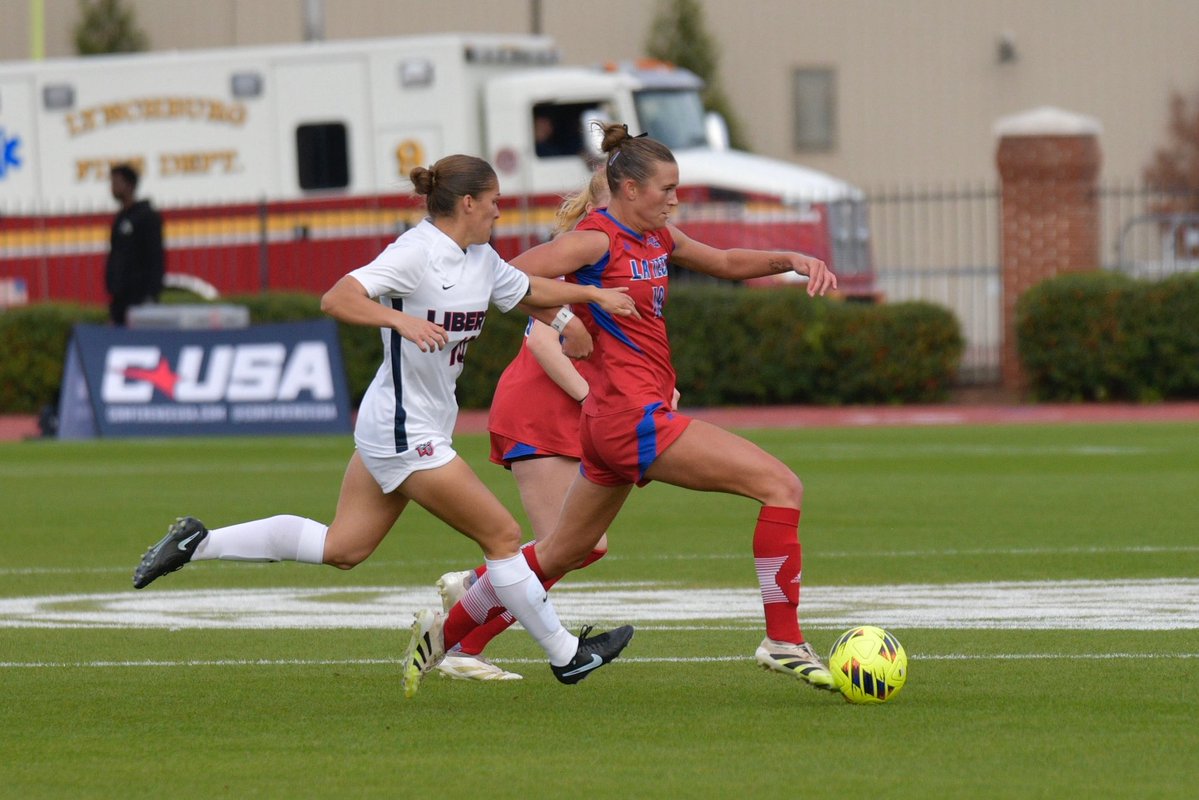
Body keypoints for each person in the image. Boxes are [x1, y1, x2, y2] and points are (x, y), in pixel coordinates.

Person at [129, 154, 640, 698]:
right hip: (403, 428)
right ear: (468, 203)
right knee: (503, 536)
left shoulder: (481, 257)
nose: (500, 210)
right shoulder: (416, 252)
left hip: (406, 423)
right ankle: (566, 655)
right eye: (493, 201)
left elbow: (531, 292)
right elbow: (338, 297)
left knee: (344, 547)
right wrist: (399, 318)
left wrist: (586, 300)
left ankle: (198, 543)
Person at [428, 124, 841, 691]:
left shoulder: (658, 240)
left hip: (607, 425)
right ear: (627, 190)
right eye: (666, 189)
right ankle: (784, 640)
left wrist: (787, 259)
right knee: (781, 487)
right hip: (632, 419)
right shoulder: (597, 239)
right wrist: (572, 314)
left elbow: (722, 262)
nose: (675, 199)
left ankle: (447, 639)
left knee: (560, 554)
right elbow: (511, 274)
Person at [434, 168, 616, 681]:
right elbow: (541, 339)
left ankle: (473, 599)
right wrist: (591, 399)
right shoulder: (576, 254)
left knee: (573, 548)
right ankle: (465, 642)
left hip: (563, 417)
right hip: (538, 412)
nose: (671, 205)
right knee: (572, 546)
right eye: (661, 194)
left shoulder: (624, 258)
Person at [105, 163, 165, 326]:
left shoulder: (146, 216)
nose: (112, 188)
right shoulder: (120, 219)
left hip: (140, 298)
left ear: (129, 185)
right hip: (120, 299)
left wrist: (151, 295)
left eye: (116, 183)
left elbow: (156, 257)